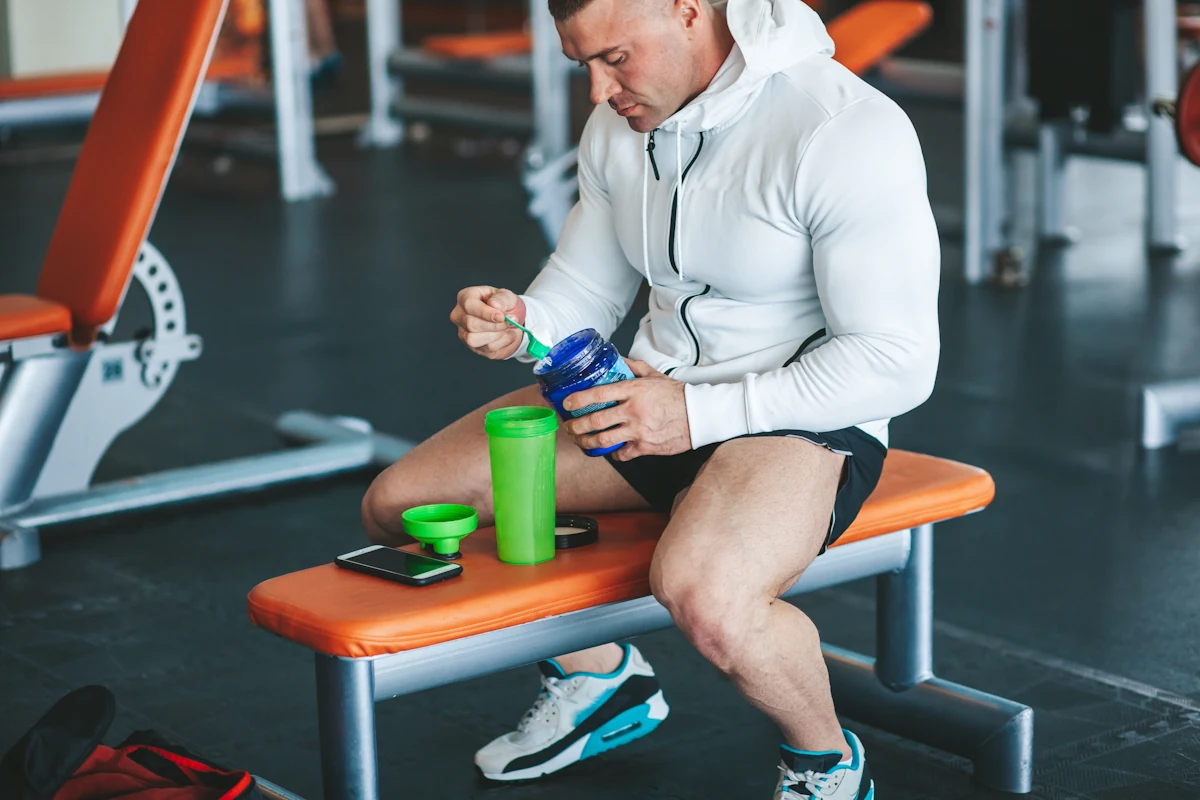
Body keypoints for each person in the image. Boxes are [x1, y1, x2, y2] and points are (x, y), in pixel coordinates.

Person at [362, 0, 940, 795]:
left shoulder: (839, 131)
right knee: (403, 503)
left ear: (691, 12)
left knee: (706, 595)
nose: (599, 91)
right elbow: (583, 290)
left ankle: (825, 761)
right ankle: (603, 683)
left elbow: (896, 360)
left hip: (795, 422)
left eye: (616, 59)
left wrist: (697, 414)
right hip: (644, 402)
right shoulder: (621, 125)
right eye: (583, 64)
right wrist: (522, 322)